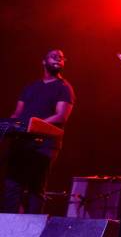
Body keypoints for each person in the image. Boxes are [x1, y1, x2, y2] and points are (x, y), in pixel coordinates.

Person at [3, 49, 75, 214]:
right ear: (43, 62)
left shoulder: (64, 88)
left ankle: (33, 232)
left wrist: (33, 125)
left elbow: (60, 116)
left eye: (61, 58)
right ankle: (9, 230)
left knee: (35, 187)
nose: (58, 58)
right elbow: (17, 113)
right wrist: (10, 125)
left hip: (45, 144)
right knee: (12, 186)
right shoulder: (31, 87)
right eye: (53, 56)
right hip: (22, 141)